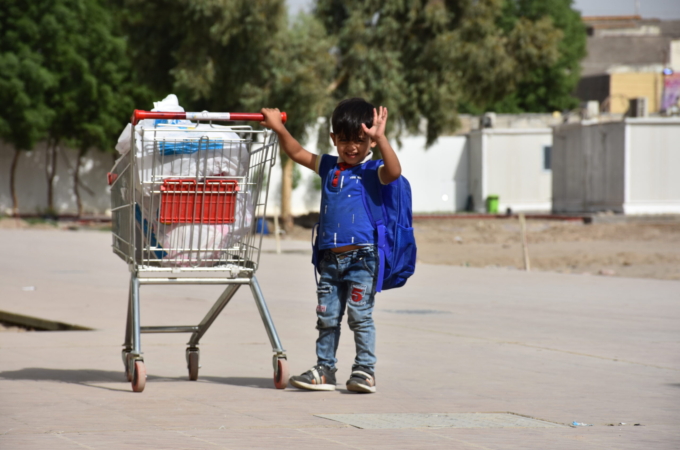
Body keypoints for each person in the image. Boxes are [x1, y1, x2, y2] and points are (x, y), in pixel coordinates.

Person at [260, 98, 402, 393]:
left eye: (360, 140)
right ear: (334, 138)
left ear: (370, 141)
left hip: (363, 259)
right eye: (346, 140)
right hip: (329, 261)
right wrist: (279, 129)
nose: (352, 147)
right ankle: (325, 370)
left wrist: (381, 139)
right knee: (326, 318)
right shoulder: (327, 166)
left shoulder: (372, 170)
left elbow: (394, 172)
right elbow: (296, 152)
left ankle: (364, 371)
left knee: (360, 317)